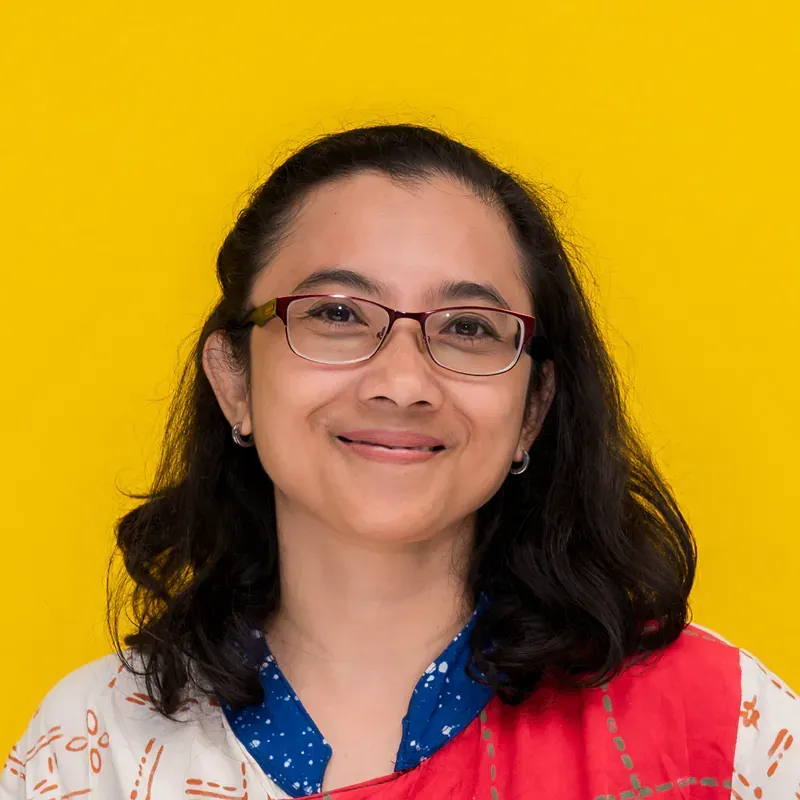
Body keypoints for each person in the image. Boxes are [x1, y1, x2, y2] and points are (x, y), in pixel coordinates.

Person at [2, 124, 797, 800]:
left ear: (534, 410)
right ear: (234, 380)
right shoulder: (94, 747)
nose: (404, 383)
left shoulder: (717, 726)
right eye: (338, 314)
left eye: (469, 328)